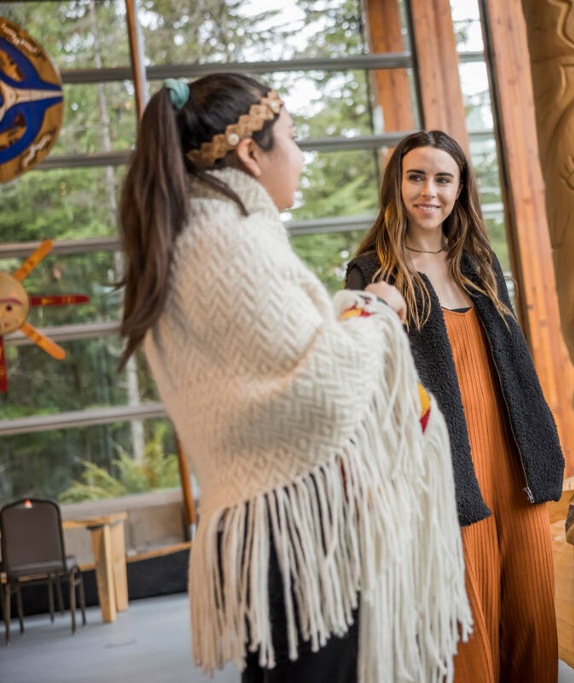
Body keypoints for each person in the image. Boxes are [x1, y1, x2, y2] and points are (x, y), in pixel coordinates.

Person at [117, 75, 470, 682]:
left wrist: (349, 313)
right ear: (252, 152)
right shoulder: (228, 240)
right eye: (294, 139)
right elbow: (319, 392)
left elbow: (281, 357)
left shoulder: (198, 232)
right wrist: (377, 311)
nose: (303, 158)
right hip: (301, 530)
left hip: (278, 521)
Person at [345, 130, 564, 683]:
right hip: (444, 472)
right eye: (416, 176)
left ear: (460, 188)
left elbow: (517, 366)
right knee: (466, 626)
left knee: (533, 618)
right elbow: (367, 383)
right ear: (397, 184)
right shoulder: (371, 271)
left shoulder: (480, 264)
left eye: (443, 178)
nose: (429, 191)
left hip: (515, 465)